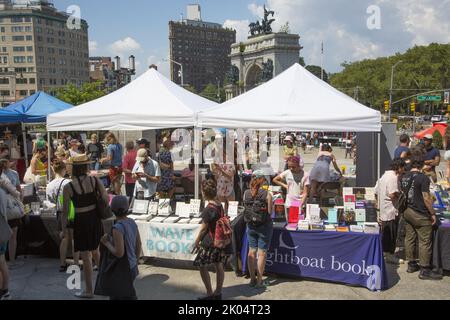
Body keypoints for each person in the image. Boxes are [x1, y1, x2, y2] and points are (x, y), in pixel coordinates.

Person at [62, 154, 109, 298]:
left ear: (74, 168)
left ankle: (89, 291)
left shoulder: (68, 187)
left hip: (80, 221)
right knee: (96, 252)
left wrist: (64, 230)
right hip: (94, 219)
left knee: (86, 257)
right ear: (86, 166)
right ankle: (105, 285)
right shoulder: (95, 180)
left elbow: (65, 212)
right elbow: (106, 199)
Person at [400, 157, 442, 280]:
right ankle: (424, 269)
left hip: (407, 211)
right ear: (422, 165)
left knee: (410, 238)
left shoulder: (405, 176)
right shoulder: (423, 178)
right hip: (419, 213)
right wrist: (433, 213)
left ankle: (411, 264)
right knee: (425, 241)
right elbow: (426, 198)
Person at [100, 196, 141, 300]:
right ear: (127, 208)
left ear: (112, 210)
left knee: (118, 295)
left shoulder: (117, 228)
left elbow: (119, 253)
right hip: (131, 266)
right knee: (127, 292)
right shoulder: (132, 222)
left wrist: (106, 243)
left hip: (122, 269)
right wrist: (135, 260)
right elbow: (139, 244)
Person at [194, 180, 229, 300]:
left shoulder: (208, 209)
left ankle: (209, 293)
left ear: (204, 193)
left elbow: (204, 229)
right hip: (220, 241)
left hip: (210, 242)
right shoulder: (219, 205)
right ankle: (218, 292)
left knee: (201, 264)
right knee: (219, 265)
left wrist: (196, 241)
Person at [46, 162, 80, 272]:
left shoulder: (49, 185)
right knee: (75, 238)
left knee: (64, 238)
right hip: (71, 211)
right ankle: (76, 263)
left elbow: (49, 202)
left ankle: (62, 263)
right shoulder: (68, 182)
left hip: (60, 213)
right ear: (64, 169)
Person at [244, 170, 273, 289]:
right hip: (264, 227)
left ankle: (252, 280)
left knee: (251, 252)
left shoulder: (245, 193)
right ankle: (260, 281)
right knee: (262, 254)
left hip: (251, 225)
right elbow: (270, 212)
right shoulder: (267, 194)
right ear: (261, 180)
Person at [375, 159, 406, 264]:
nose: (403, 170)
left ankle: (385, 253)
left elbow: (376, 190)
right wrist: (401, 195)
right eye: (403, 168)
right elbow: (392, 194)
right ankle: (390, 255)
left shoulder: (384, 176)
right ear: (399, 167)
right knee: (391, 234)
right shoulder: (393, 177)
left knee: (386, 232)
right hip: (391, 210)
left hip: (384, 209)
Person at [0, 158, 21, 268]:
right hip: (3, 207)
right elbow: (16, 191)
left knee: (13, 233)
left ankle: (11, 260)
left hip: (11, 207)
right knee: (4, 234)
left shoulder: (14, 174)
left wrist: (20, 204)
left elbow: (18, 189)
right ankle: (4, 259)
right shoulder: (2, 175)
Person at [0, 184, 11, 300]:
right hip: (2, 229)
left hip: (1, 230)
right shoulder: (2, 192)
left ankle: (4, 290)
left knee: (1, 261)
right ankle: (5, 290)